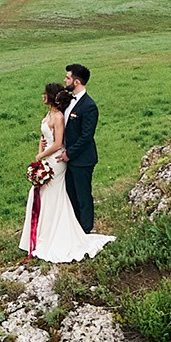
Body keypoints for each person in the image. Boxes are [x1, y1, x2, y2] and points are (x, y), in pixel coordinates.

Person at [21, 75, 113, 263]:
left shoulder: (65, 114)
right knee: (44, 194)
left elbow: (60, 141)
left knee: (62, 194)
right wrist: (40, 154)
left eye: (44, 93)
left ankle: (72, 231)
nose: (42, 96)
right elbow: (43, 137)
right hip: (50, 158)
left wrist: (42, 156)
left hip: (59, 159)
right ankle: (40, 235)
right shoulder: (49, 115)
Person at [58, 63, 99, 234]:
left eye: (67, 77)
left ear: (76, 82)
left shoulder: (89, 106)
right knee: (71, 193)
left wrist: (69, 153)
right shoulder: (68, 101)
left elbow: (86, 136)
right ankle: (75, 228)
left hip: (82, 159)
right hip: (68, 158)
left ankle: (86, 229)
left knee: (83, 195)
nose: (64, 80)